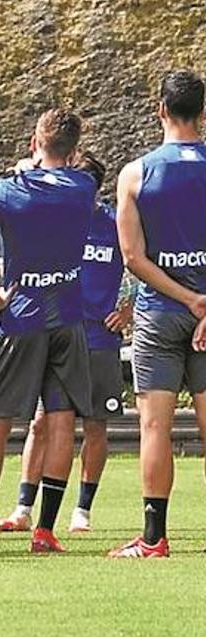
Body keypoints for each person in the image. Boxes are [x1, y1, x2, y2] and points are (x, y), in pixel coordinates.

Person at [0, 109, 96, 554]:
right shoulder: (84, 188)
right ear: (74, 147)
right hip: (67, 314)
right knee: (62, 422)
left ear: (33, 141)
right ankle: (45, 532)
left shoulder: (8, 190)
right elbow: (66, 177)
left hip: (21, 314)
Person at [0, 151, 131, 534]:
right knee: (42, 422)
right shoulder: (52, 218)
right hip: (56, 330)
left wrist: (129, 307)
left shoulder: (114, 224)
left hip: (99, 336)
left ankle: (82, 510)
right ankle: (24, 507)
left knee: (95, 425)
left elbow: (141, 259)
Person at [110, 70, 206, 558]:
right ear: (203, 113)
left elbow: (132, 257)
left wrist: (186, 298)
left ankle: (153, 538)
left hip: (160, 310)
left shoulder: (136, 172)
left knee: (155, 428)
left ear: (160, 110)